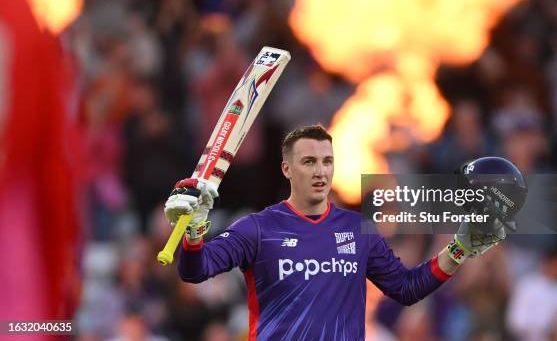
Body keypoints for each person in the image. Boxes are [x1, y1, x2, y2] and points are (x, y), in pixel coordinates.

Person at [164, 125, 508, 340]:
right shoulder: (257, 228)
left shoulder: (359, 231)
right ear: (287, 168)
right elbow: (194, 271)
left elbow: (406, 288)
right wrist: (193, 232)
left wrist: (461, 248)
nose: (320, 171)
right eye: (308, 162)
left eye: (327, 161)